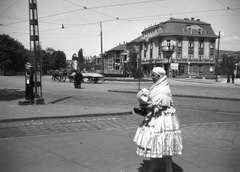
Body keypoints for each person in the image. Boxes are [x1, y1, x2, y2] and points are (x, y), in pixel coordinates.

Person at [133, 67, 183, 172]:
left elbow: (157, 106)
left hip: (163, 120)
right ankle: (155, 165)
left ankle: (168, 167)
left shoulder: (163, 89)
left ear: (159, 76)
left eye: (153, 75)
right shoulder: (158, 86)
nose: (151, 77)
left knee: (165, 142)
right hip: (157, 117)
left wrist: (144, 106)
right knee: (155, 142)